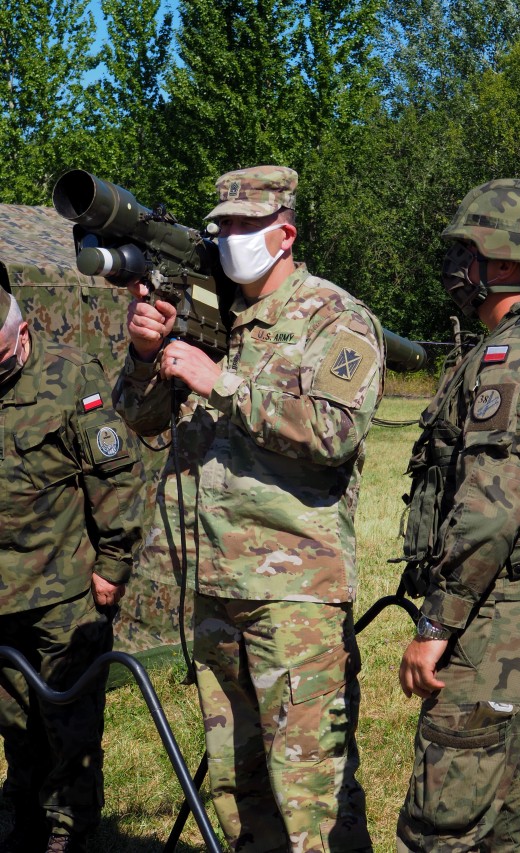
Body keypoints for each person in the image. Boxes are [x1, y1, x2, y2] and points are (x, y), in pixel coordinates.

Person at [114, 165, 385, 852]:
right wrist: (149, 355)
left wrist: (221, 380)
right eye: (221, 226)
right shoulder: (211, 318)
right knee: (238, 791)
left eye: (243, 226)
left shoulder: (336, 318)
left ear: (284, 234)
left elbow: (332, 432)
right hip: (215, 589)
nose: (227, 238)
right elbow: (140, 419)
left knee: (309, 792)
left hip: (294, 597)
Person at [395, 179, 520, 852]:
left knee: (439, 828)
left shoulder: (518, 359)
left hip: (502, 615)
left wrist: (436, 622)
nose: (458, 270)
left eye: (469, 253)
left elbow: (492, 508)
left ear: (508, 262)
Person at [0, 289, 145, 853]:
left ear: (23, 335)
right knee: (14, 718)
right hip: (3, 594)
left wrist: (113, 565)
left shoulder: (68, 377)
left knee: (67, 719)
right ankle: (28, 818)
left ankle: (69, 830)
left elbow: (117, 477)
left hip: (63, 592)